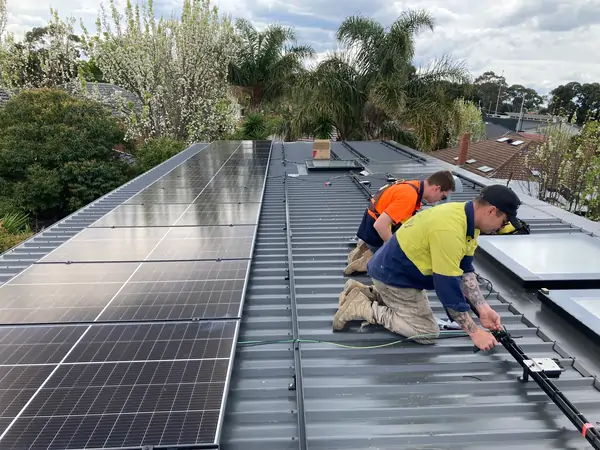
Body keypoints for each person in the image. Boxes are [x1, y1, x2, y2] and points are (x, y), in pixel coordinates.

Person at [333, 184, 522, 352]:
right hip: (395, 278)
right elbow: (447, 289)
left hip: (397, 272)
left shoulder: (465, 218)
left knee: (419, 315)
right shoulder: (450, 230)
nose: (500, 228)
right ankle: (362, 306)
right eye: (504, 222)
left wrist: (483, 308)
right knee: (426, 333)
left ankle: (367, 293)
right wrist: (475, 333)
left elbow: (465, 269)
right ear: (491, 211)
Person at [344, 170, 456, 275]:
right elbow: (380, 225)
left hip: (368, 228)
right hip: (375, 234)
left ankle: (368, 250)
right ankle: (368, 259)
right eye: (443, 197)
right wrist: (392, 251)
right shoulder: (409, 196)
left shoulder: (413, 185)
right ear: (436, 189)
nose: (440, 200)